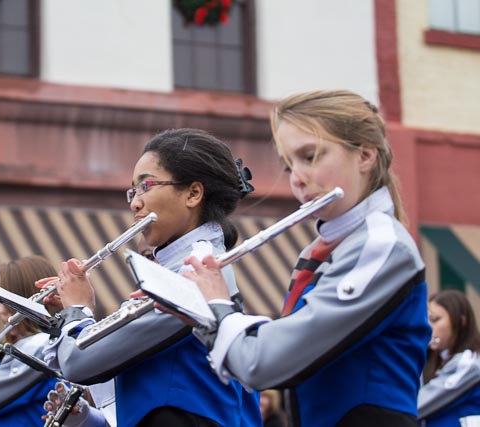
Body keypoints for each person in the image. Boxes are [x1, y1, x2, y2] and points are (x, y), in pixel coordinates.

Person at [169, 90, 431, 426]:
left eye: (310, 156)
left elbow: (265, 362)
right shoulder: (323, 248)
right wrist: (199, 307)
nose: (297, 178)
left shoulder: (382, 245)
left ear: (365, 155)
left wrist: (218, 305)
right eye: (288, 164)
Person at [41, 128, 262, 427]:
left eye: (146, 186)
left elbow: (79, 362)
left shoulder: (196, 272)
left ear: (194, 193)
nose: (134, 203)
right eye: (133, 191)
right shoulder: (181, 269)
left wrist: (77, 311)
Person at [0, 255, 106, 427]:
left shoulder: (37, 346)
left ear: (23, 299)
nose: (1, 311)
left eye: (3, 300)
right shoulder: (50, 343)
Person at [417, 289, 480, 426]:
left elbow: (418, 406)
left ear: (461, 321)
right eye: (426, 319)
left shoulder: (468, 362)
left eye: (435, 319)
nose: (428, 326)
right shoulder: (441, 360)